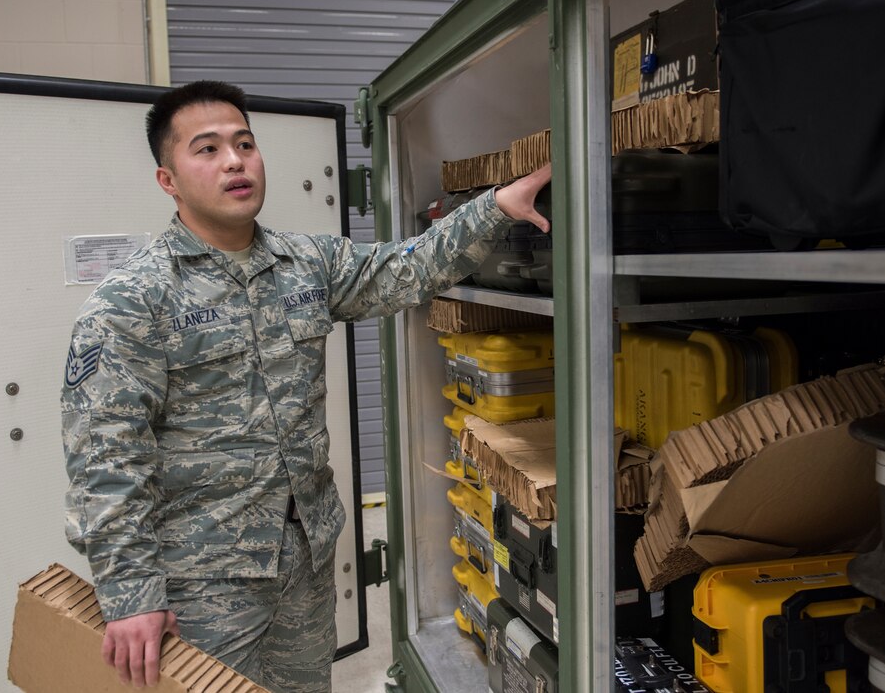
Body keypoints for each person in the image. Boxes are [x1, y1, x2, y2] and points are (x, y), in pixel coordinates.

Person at [62, 79, 551, 691]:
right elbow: (105, 456)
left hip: (306, 556)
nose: (235, 161)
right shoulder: (133, 300)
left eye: (245, 143)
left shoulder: (306, 263)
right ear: (169, 179)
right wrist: (132, 592)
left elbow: (406, 268)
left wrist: (496, 206)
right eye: (207, 149)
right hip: (203, 580)